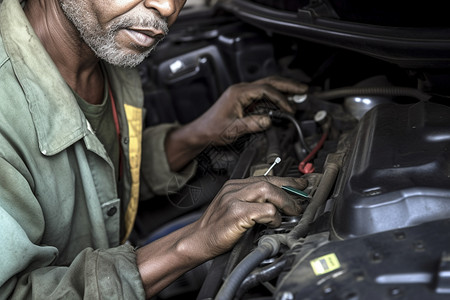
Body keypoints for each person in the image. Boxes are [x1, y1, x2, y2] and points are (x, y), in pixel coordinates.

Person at [0, 0, 308, 298]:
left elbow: (101, 178)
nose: (168, 7)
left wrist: (199, 134)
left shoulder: (107, 51)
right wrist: (191, 242)